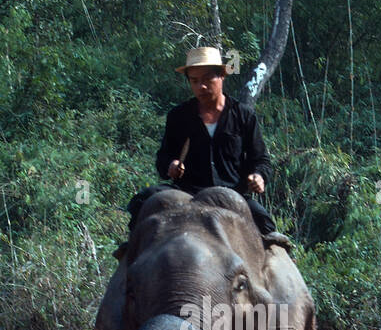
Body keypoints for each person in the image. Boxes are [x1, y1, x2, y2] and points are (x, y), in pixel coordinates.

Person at [123, 46, 289, 245]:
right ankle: (129, 259)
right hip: (187, 194)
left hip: (231, 195)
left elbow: (260, 160)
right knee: (142, 201)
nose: (201, 86)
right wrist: (171, 166)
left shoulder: (243, 115)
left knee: (264, 222)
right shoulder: (178, 116)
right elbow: (163, 157)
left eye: (207, 79)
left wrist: (258, 177)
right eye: (194, 81)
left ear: (222, 77)